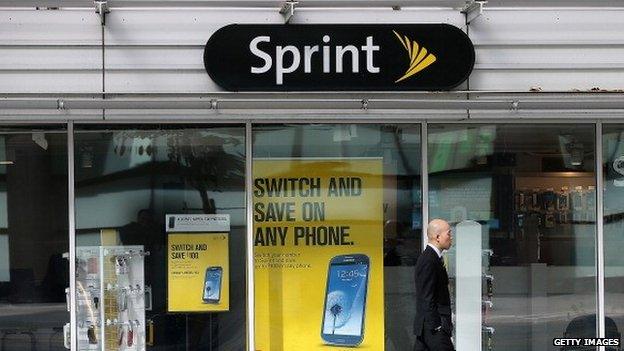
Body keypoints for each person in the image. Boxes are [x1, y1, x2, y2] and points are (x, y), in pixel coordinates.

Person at [413, 219, 454, 351]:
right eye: (449, 234)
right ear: (437, 237)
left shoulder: (433, 258)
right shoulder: (428, 260)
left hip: (430, 326)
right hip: (433, 327)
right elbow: (426, 296)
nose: (451, 237)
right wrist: (437, 326)